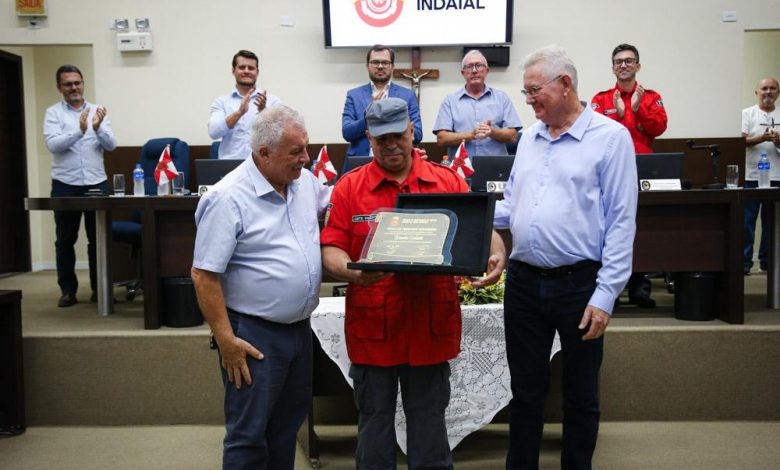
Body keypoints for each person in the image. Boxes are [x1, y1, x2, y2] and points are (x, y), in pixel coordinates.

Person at [322, 97, 502, 469]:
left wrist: (495, 252)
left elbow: (480, 229)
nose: (390, 146)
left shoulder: (446, 180)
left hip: (429, 326)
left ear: (411, 131)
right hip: (374, 329)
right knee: (374, 423)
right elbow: (331, 247)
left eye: (397, 136)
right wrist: (351, 271)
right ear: (369, 139)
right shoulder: (349, 188)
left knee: (429, 422)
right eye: (381, 139)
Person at [482, 45, 637, 469]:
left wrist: (606, 296)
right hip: (525, 284)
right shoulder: (529, 138)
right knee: (526, 392)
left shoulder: (610, 138)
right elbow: (511, 205)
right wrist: (459, 204)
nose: (528, 100)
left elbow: (623, 223)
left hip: (580, 285)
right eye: (526, 91)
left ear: (565, 84)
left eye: (535, 91)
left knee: (581, 395)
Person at [192, 105, 330, 469]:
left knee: (285, 430)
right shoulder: (227, 198)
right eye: (296, 152)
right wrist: (226, 341)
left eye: (306, 147)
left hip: (298, 332)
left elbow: (339, 205)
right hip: (252, 336)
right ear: (263, 153)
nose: (306, 158)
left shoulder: (305, 184)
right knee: (249, 436)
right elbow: (203, 275)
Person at [591, 43, 667, 307]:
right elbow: (595, 135)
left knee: (639, 230)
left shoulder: (651, 97)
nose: (623, 65)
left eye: (629, 61)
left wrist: (636, 110)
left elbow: (659, 128)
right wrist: (620, 116)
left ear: (637, 66)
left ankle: (639, 288)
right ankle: (609, 290)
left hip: (642, 171)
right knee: (611, 229)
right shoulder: (601, 99)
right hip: (609, 174)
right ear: (613, 67)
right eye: (619, 61)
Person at [43, 64, 117, 308]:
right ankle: (68, 290)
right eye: (68, 84)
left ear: (83, 83)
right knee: (65, 239)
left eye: (77, 82)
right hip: (65, 184)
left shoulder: (98, 110)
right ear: (59, 88)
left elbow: (111, 145)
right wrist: (80, 130)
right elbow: (53, 145)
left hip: (96, 182)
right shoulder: (53, 113)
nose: (74, 87)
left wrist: (96, 128)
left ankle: (100, 289)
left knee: (98, 240)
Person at [433, 49, 521, 159]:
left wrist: (492, 132)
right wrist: (471, 135)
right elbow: (442, 139)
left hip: (495, 171)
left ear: (486, 70)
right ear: (463, 73)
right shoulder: (450, 101)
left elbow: (513, 136)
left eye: (479, 65)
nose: (474, 70)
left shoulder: (502, 98)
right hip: (461, 171)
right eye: (469, 67)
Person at [342, 44, 422, 157]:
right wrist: (369, 115)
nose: (380, 66)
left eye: (385, 62)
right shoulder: (354, 95)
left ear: (392, 66)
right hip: (361, 162)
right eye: (375, 62)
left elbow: (417, 134)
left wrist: (393, 119)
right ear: (367, 66)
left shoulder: (408, 95)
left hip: (396, 160)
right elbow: (347, 133)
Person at [208, 50, 281, 159]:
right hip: (230, 167)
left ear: (257, 72)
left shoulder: (272, 101)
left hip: (263, 166)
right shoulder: (221, 102)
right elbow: (214, 132)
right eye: (242, 67)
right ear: (233, 71)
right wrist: (239, 113)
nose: (247, 71)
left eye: (251, 68)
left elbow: (280, 135)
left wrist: (264, 112)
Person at [742, 77, 780, 274]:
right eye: (764, 88)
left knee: (771, 222)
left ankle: (767, 262)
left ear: (778, 92)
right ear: (756, 92)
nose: (768, 92)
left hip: (776, 175)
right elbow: (741, 141)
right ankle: (745, 263)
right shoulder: (747, 114)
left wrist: (778, 141)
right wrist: (762, 138)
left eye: (772, 88)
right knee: (747, 221)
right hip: (752, 175)